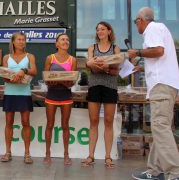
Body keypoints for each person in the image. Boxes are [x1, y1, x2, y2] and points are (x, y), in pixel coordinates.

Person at [129, 7, 179, 180]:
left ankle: (175, 173)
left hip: (162, 86)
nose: (136, 26)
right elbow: (161, 59)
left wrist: (136, 52)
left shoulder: (152, 28)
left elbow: (158, 51)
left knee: (160, 127)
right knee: (161, 129)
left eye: (135, 22)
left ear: (141, 20)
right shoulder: (160, 29)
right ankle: (155, 170)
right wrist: (144, 66)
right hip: (167, 85)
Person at [82, 21, 120, 168]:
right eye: (98, 30)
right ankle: (90, 156)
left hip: (110, 87)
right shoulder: (92, 47)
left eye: (103, 29)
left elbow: (116, 71)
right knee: (93, 121)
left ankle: (108, 157)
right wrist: (101, 66)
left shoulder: (115, 48)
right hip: (94, 86)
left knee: (109, 122)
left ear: (109, 31)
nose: (100, 32)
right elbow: (88, 65)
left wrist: (103, 68)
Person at [0, 32, 37, 164]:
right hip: (9, 93)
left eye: (23, 40)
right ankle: (7, 152)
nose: (22, 42)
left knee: (25, 123)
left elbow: (34, 71)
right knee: (9, 123)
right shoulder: (6, 57)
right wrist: (11, 79)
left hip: (24, 93)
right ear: (13, 42)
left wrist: (24, 71)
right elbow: (4, 74)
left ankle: (27, 154)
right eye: (19, 39)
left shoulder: (30, 56)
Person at [43, 33, 77, 165]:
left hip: (66, 96)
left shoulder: (72, 60)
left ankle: (66, 155)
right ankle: (47, 154)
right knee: (50, 125)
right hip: (51, 95)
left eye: (67, 39)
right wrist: (54, 80)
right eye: (62, 39)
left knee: (65, 126)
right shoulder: (49, 58)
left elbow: (72, 81)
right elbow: (46, 78)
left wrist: (63, 81)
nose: (65, 41)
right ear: (57, 44)